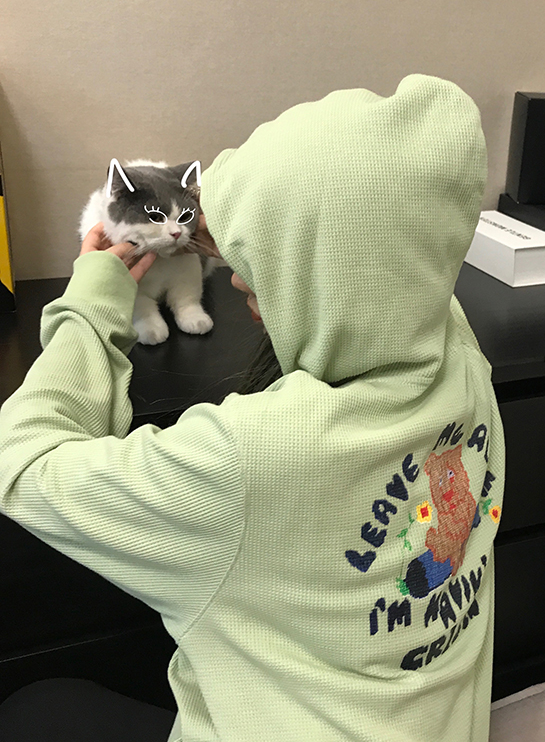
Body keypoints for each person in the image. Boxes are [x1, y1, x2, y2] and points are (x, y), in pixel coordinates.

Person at [0, 74, 505, 741]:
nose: (236, 275)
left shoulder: (252, 458)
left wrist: (92, 303)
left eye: (261, 258)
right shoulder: (459, 353)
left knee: (39, 707)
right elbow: (388, 239)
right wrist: (232, 233)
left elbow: (21, 460)